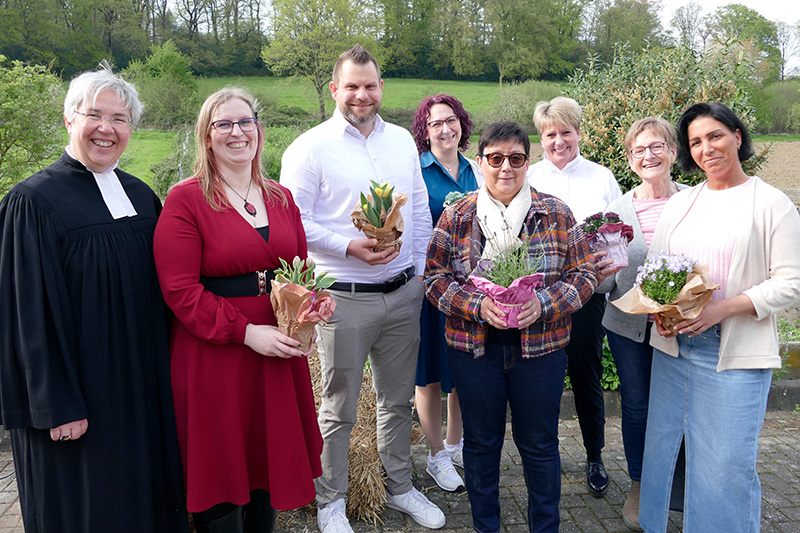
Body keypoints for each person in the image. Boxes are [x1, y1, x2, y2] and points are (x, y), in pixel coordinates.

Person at [0, 62, 189, 532]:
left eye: (120, 118)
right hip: (78, 404)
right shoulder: (33, 202)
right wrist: (56, 404)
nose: (107, 128)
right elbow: (26, 313)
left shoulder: (142, 196)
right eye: (94, 115)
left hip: (142, 392)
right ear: (69, 119)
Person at [280, 45, 443, 533]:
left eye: (370, 85)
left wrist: (418, 271)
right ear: (335, 89)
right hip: (343, 298)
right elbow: (294, 223)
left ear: (381, 88)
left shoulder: (400, 144)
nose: (361, 95)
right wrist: (350, 247)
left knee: (396, 402)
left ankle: (399, 488)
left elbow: (416, 212)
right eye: (351, 85)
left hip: (402, 293)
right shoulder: (309, 148)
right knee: (338, 408)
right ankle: (331, 501)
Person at [153, 88, 323, 533]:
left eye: (245, 121)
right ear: (206, 138)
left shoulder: (282, 197)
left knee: (266, 472)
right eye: (223, 124)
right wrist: (248, 333)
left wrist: (311, 310)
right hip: (216, 355)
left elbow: (299, 273)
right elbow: (180, 291)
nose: (236, 132)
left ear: (259, 131)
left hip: (277, 352)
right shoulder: (185, 200)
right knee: (222, 476)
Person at [425, 121, 596, 532]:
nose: (506, 168)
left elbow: (584, 275)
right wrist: (477, 305)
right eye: (496, 159)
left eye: (516, 159)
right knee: (482, 446)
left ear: (527, 162)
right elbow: (434, 278)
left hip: (540, 351)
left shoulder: (555, 213)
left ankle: (545, 527)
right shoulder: (458, 214)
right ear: (480, 162)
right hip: (474, 351)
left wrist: (544, 303)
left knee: (539, 445)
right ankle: (487, 526)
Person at [639, 102, 800, 532]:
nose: (705, 148)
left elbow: (791, 282)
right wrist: (661, 311)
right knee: (663, 454)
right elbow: (656, 270)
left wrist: (720, 309)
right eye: (695, 141)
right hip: (674, 352)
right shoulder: (682, 202)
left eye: (714, 136)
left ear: (737, 137)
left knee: (725, 467)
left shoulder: (771, 204)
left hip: (734, 355)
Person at [526, 96, 622, 498]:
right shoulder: (527, 176)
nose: (559, 141)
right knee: (541, 380)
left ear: (579, 132)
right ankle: (543, 455)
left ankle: (594, 454)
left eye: (566, 132)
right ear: (541, 137)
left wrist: (611, 262)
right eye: (551, 134)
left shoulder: (602, 177)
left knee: (586, 376)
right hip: (539, 300)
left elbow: (617, 234)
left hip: (586, 296)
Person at [595, 117, 687, 531]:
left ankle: (681, 488)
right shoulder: (616, 211)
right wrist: (599, 275)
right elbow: (609, 282)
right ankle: (640, 482)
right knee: (637, 407)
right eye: (638, 150)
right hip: (629, 328)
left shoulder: (695, 201)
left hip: (684, 325)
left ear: (672, 151)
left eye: (657, 146)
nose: (648, 155)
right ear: (630, 159)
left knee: (684, 407)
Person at [409, 94, 482, 492]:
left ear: (461, 124)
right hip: (430, 284)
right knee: (431, 371)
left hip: (470, 288)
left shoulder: (476, 170)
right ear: (425, 130)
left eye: (451, 120)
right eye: (436, 123)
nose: (445, 129)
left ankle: (457, 446)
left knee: (464, 368)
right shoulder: (417, 171)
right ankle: (436, 455)